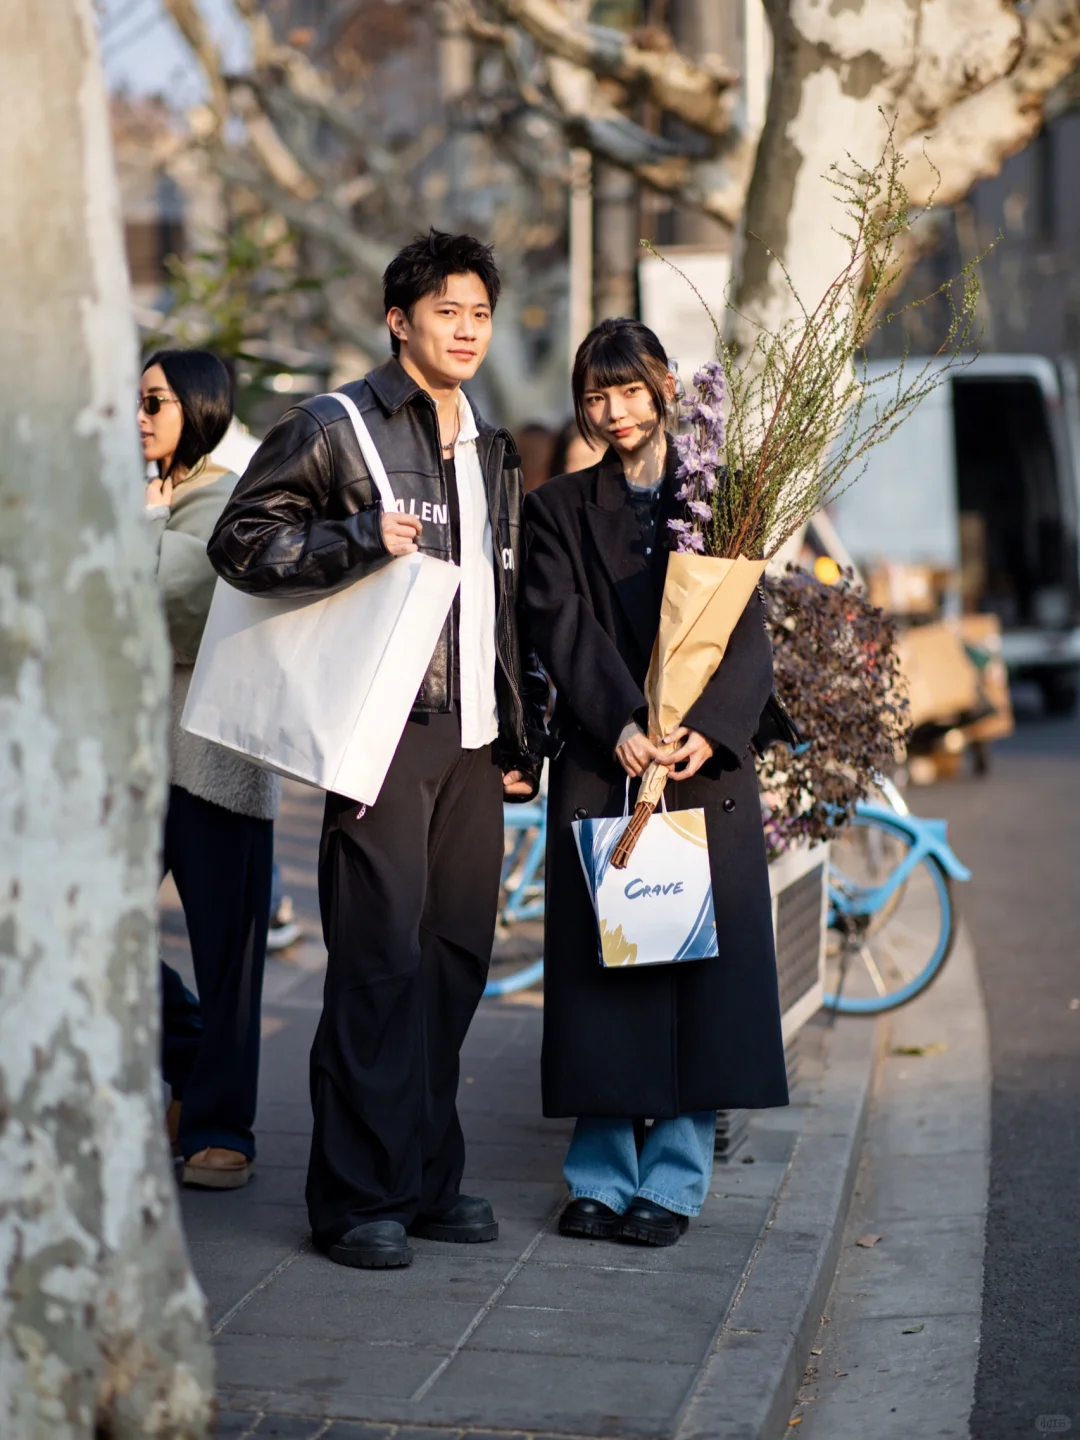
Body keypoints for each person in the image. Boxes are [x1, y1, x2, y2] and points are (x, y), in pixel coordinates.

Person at [207, 229, 544, 1270]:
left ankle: (426, 1175)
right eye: (447, 310)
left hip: (473, 741)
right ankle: (354, 1197)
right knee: (376, 960)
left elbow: (501, 600)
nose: (466, 329)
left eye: (479, 313)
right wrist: (356, 538)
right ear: (399, 320)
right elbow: (240, 543)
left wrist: (517, 729)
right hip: (381, 730)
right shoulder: (334, 426)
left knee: (453, 960)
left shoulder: (490, 442)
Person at [521, 318, 793, 1247]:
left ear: (666, 386)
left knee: (694, 978)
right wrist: (624, 724)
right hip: (610, 763)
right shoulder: (557, 508)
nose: (612, 411)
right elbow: (560, 627)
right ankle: (599, 1173)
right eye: (595, 396)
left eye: (628, 390)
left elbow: (752, 634)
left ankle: (673, 1180)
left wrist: (705, 732)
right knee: (608, 974)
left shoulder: (725, 497)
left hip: (699, 768)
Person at [141, 348, 281, 1190]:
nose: (140, 415)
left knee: (227, 955)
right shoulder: (147, 499)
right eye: (137, 400)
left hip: (214, 757)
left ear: (198, 407)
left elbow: (175, 604)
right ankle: (195, 1074)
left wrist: (143, 525)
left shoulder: (230, 497)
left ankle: (221, 1127)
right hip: (131, 766)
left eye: (155, 401)